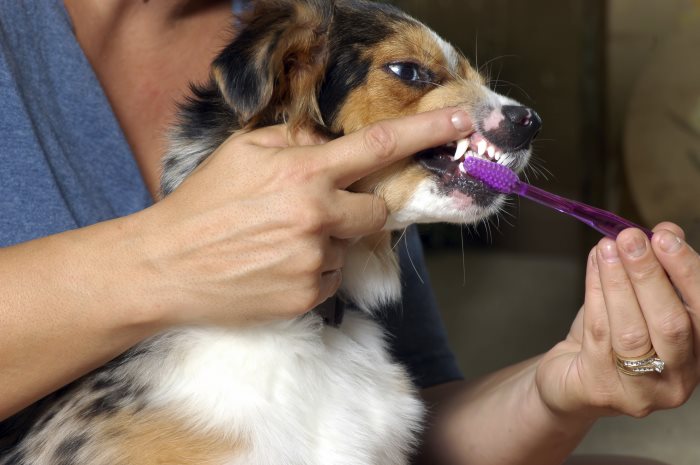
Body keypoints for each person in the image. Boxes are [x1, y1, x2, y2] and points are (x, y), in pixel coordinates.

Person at [0, 1, 697, 464]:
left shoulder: (334, 26)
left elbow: (417, 429)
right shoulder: (304, 47)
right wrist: (168, 263)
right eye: (411, 75)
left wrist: (567, 384)